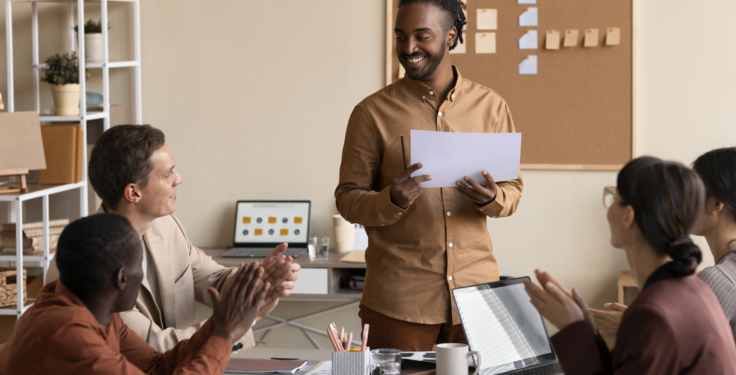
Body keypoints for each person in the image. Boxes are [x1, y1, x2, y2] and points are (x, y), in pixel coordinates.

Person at [334, 0, 523, 351]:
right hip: (398, 301)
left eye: (423, 36)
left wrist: (492, 198)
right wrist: (390, 199)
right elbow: (347, 198)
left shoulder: (491, 107)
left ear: (451, 36)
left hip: (476, 296)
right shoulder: (371, 113)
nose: (409, 48)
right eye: (401, 36)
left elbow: (513, 190)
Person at [81, 124, 301, 352]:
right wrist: (241, 321)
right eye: (167, 174)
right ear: (133, 193)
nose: (179, 179)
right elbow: (150, 348)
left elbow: (214, 279)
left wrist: (259, 280)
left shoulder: (165, 226)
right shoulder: (91, 268)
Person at [523, 156, 736, 374]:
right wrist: (585, 327)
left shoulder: (654, 314)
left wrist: (572, 329)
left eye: (614, 199)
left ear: (628, 216)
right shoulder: (693, 289)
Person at [0, 214, 270, 374]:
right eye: (139, 266)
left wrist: (218, 325)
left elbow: (156, 367)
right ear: (123, 278)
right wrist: (224, 335)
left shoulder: (96, 310)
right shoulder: (69, 335)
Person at [591, 147, 736, 374]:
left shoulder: (720, 280)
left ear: (716, 204)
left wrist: (637, 324)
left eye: (694, 191)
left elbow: (679, 343)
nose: (683, 199)